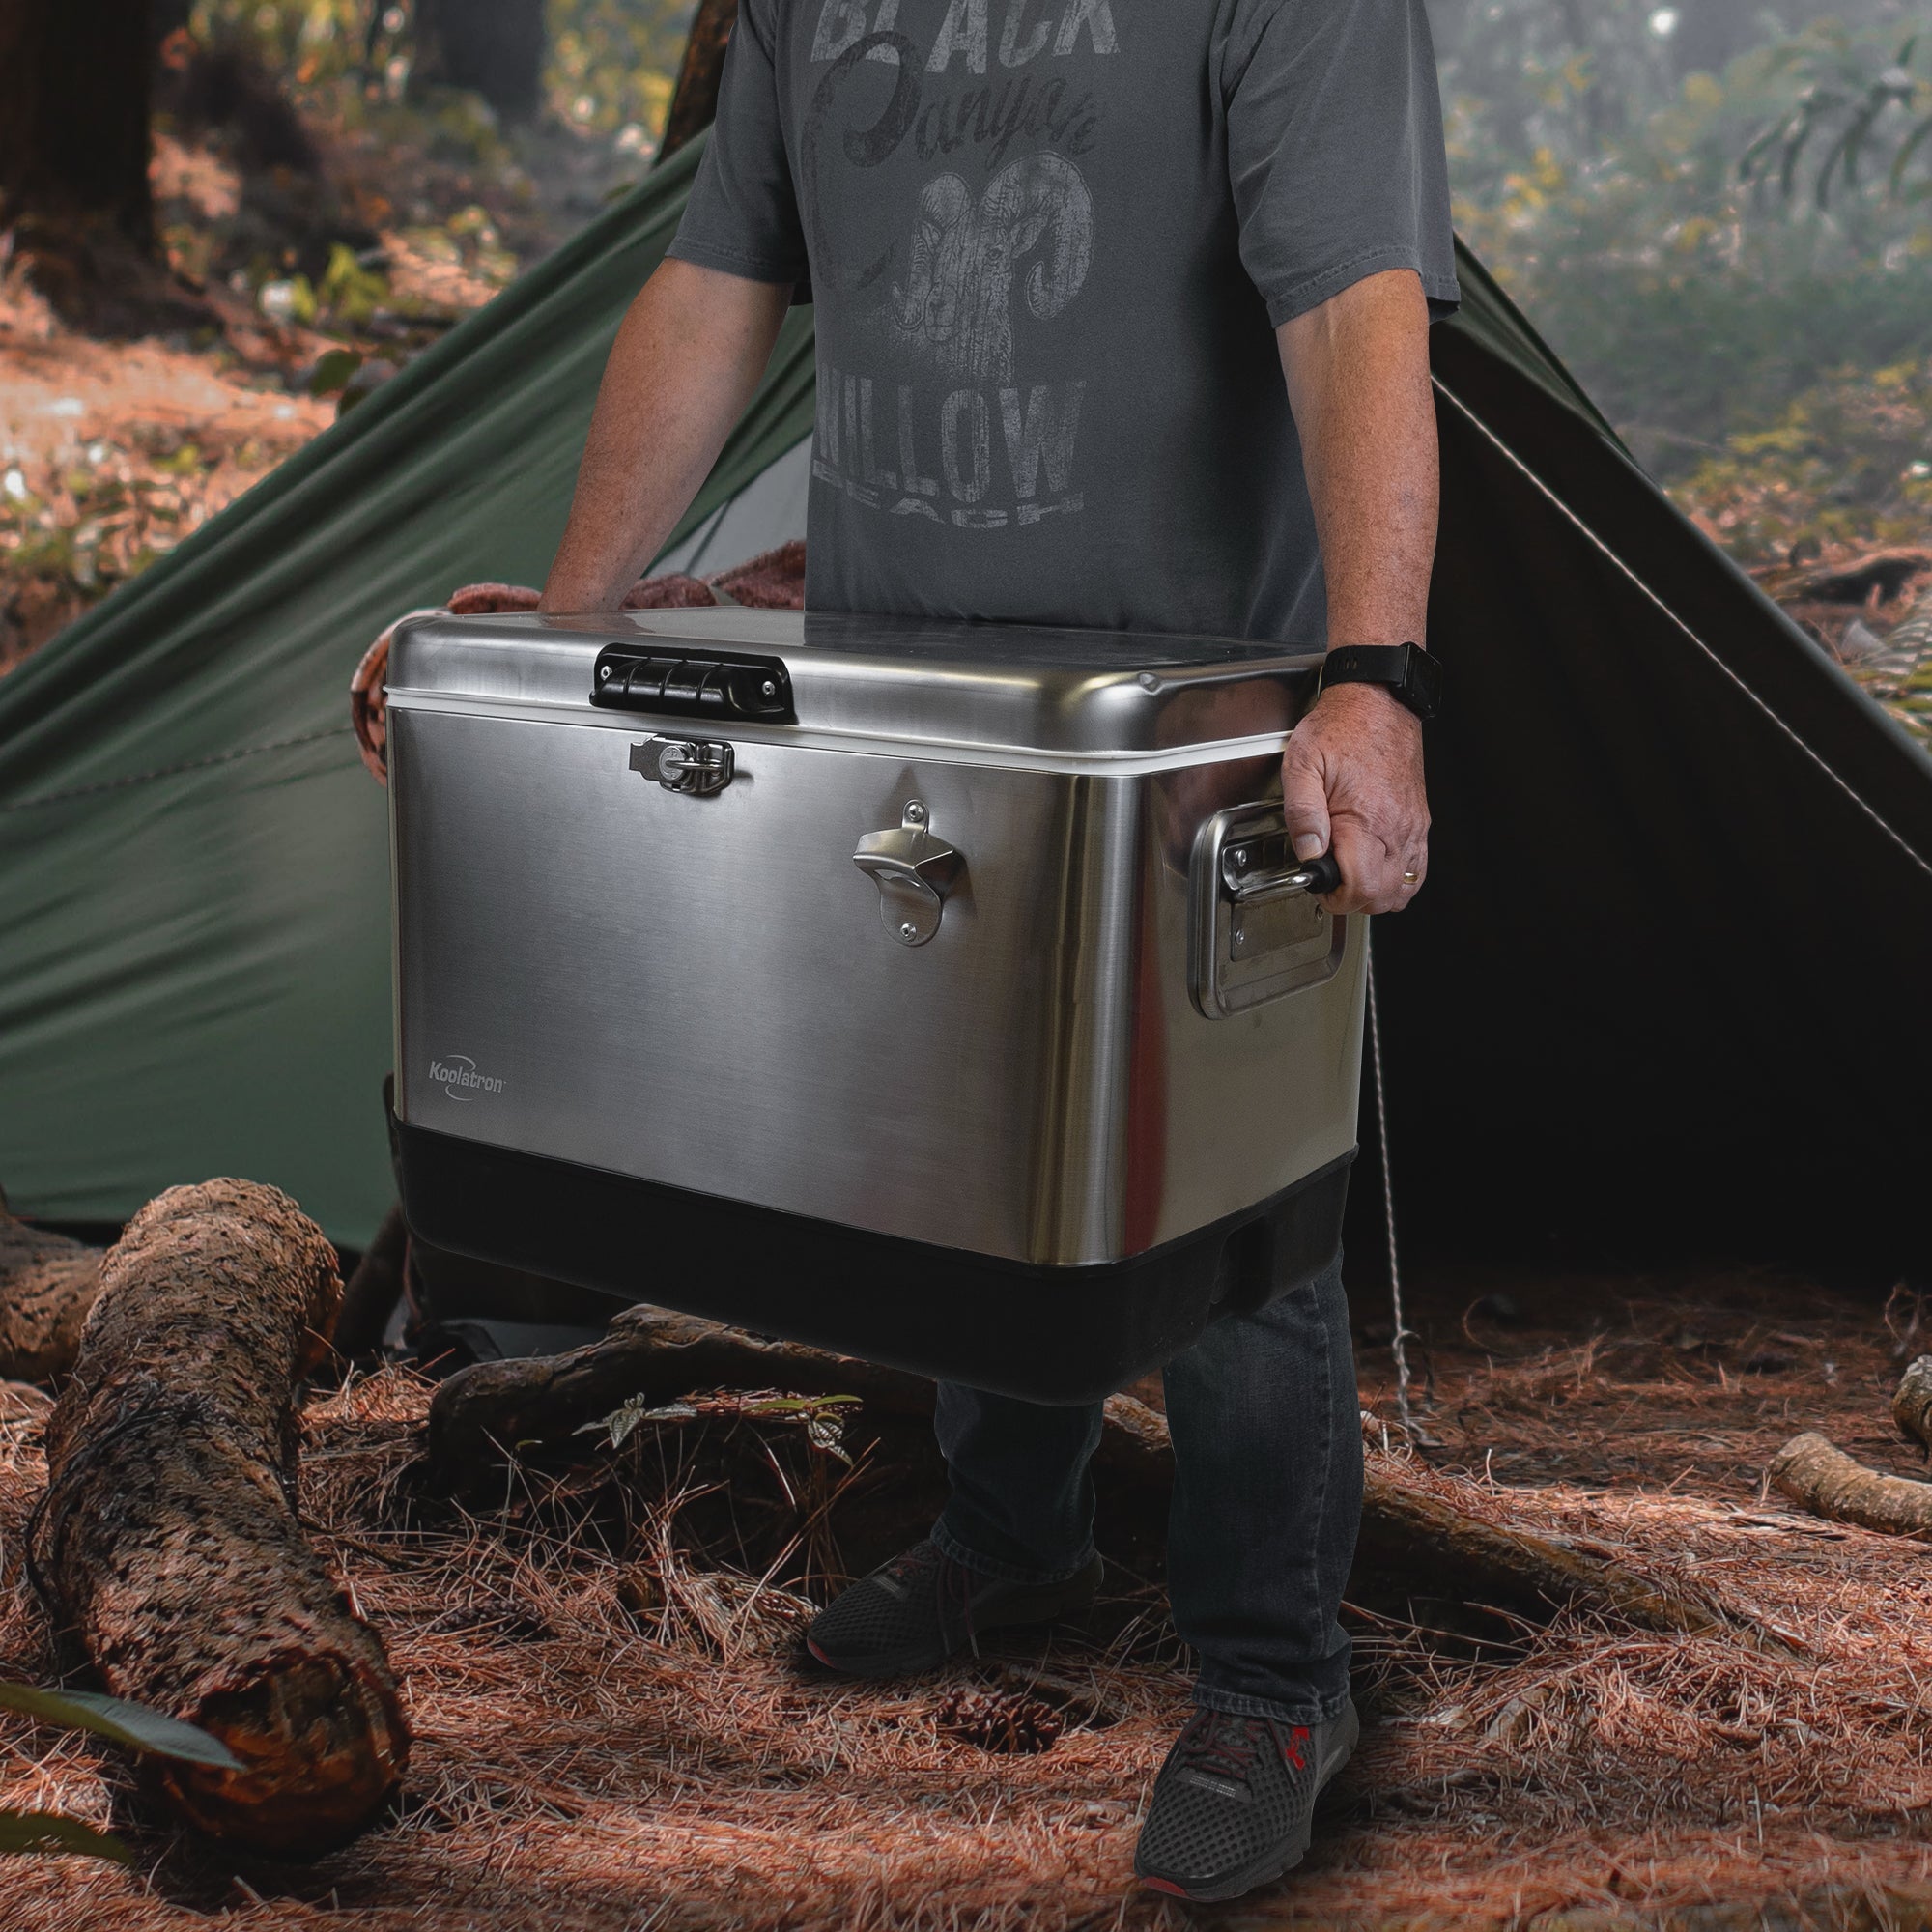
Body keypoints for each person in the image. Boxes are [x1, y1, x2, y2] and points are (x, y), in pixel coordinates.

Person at [542, 0, 1456, 1902]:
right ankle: (1008, 1531)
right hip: (917, 708)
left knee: (1232, 1224)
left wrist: (1370, 678)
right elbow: (718, 286)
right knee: (964, 1141)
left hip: (1192, 711)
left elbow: (1355, 301)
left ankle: (1273, 1677)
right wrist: (574, 633)